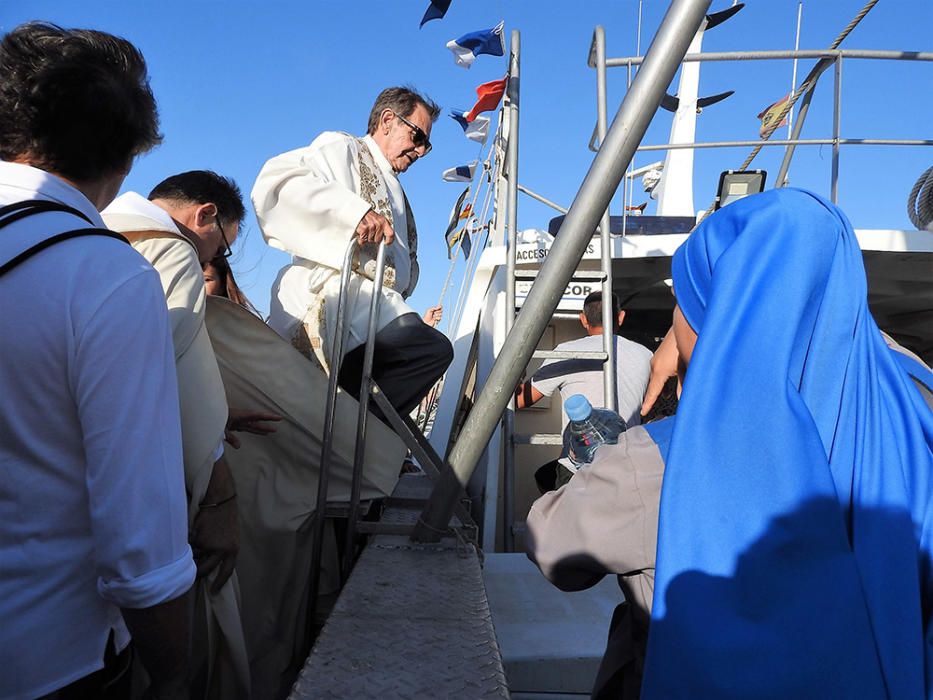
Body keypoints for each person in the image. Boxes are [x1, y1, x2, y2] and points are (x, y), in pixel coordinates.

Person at [526, 188, 933, 698]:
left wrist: (702, 360)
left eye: (681, 302)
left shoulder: (661, 461)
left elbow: (551, 547)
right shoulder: (913, 416)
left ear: (718, 314)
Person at [0, 22, 195, 699]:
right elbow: (140, 541)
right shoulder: (104, 274)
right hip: (50, 659)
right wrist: (173, 672)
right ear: (124, 159)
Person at [102, 171, 278, 698]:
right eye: (218, 246)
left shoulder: (93, 235)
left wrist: (218, 414)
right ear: (203, 216)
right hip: (170, 491)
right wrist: (217, 482)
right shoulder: (170, 252)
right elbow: (153, 384)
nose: (210, 263)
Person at [252, 86, 454, 417]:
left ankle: (359, 427)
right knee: (428, 349)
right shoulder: (342, 148)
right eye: (417, 137)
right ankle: (354, 424)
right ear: (387, 120)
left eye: (425, 145)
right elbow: (279, 182)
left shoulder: (397, 190)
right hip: (341, 295)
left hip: (376, 305)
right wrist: (353, 214)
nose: (419, 151)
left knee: (426, 353)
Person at [516, 291, 652, 489]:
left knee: (548, 481)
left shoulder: (567, 352)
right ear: (620, 317)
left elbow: (520, 400)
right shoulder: (645, 355)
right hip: (627, 467)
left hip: (578, 470)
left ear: (583, 319)